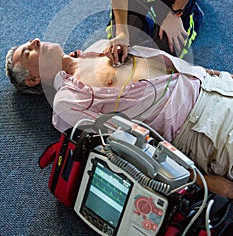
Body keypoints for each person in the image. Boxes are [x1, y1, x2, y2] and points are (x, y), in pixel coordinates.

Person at [5, 38, 233, 198]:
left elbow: (164, 63)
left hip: (214, 86)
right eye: (28, 52)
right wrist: (201, 181)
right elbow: (128, 150)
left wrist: (216, 76)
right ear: (33, 80)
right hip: (203, 128)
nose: (36, 41)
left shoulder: (97, 48)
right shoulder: (67, 101)